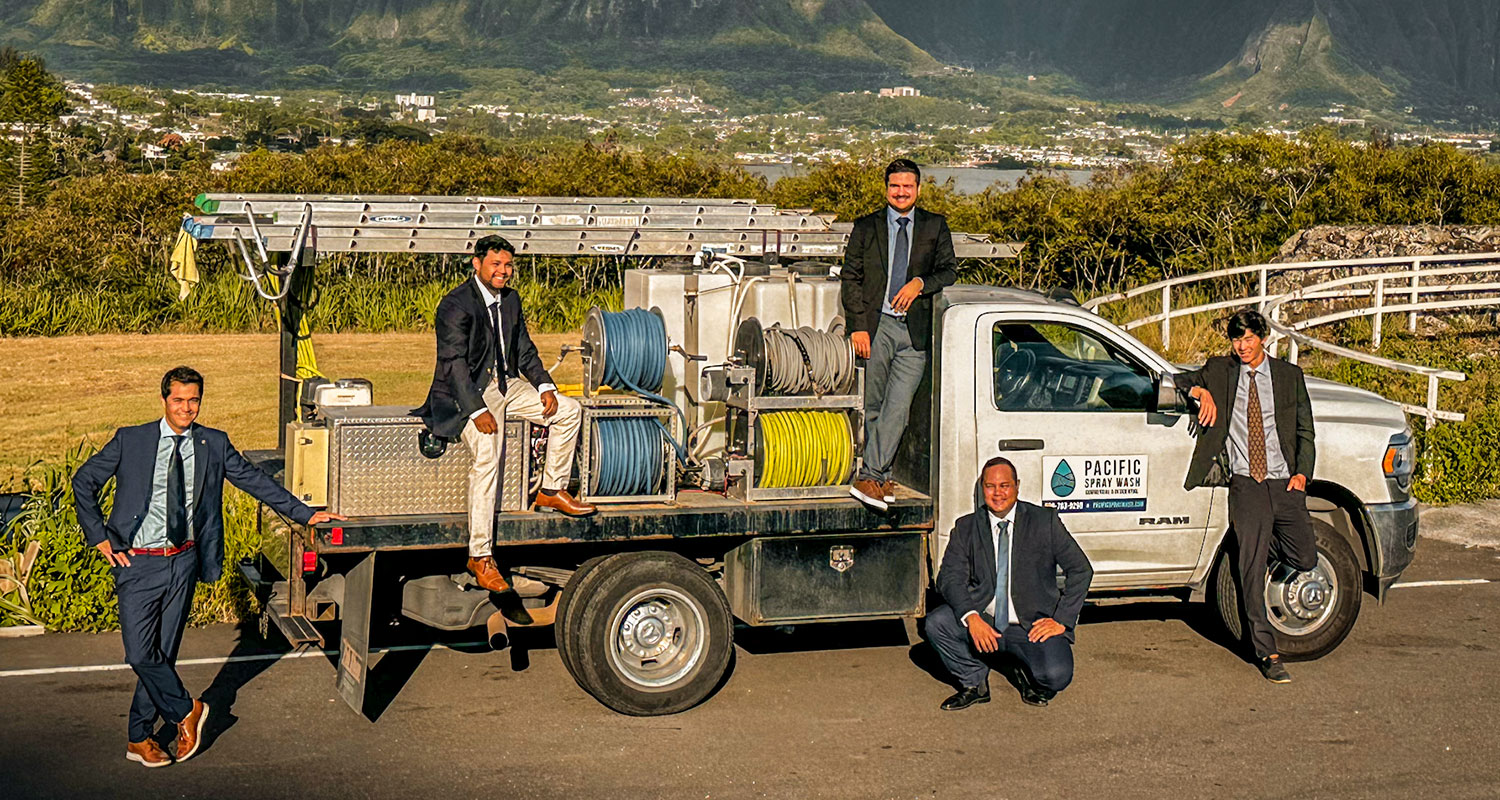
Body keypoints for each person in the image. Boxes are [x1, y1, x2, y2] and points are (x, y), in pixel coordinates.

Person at [73, 366, 345, 767]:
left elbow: (255, 481)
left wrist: (304, 514)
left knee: (162, 654)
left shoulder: (212, 443)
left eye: (194, 400)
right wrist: (98, 535)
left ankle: (138, 738)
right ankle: (187, 711)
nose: (187, 408)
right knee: (139, 653)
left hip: (183, 561)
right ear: (164, 399)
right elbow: (84, 482)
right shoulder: (132, 440)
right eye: (179, 400)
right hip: (137, 563)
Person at [415, 234, 594, 607]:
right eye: (496, 264)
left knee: (569, 411)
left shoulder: (511, 300)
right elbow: (453, 365)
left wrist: (544, 384)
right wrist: (478, 411)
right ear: (476, 264)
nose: (503, 271)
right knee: (487, 453)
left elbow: (524, 348)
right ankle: (480, 555)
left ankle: (551, 489)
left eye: (508, 265)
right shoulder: (455, 305)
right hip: (467, 391)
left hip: (507, 383)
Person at [1176, 309, 1317, 684]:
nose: (1241, 347)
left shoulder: (1289, 377)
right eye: (1236, 340)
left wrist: (1302, 474)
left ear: (1264, 338)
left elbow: (1305, 430)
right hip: (1246, 484)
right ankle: (1267, 652)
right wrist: (1199, 390)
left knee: (1305, 557)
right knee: (1250, 571)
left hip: (1284, 483)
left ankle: (1258, 542)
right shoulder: (1221, 370)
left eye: (1248, 339)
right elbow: (1175, 378)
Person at [926, 456, 1094, 710]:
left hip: (1030, 624)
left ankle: (1022, 672)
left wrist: (1061, 620)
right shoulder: (966, 527)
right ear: (982, 489)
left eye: (1004, 485)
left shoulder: (1044, 522)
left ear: (1017, 486)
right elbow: (949, 578)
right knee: (937, 623)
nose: (997, 493)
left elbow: (1081, 570)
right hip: (986, 620)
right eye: (990, 486)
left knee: (1056, 675)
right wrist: (972, 617)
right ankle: (974, 681)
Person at [841, 158, 959, 510]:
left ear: (918, 189)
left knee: (899, 406)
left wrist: (920, 283)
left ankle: (869, 476)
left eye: (908, 186)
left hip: (913, 331)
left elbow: (949, 271)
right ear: (886, 188)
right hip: (876, 326)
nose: (902, 192)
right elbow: (851, 278)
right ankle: (882, 474)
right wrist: (858, 326)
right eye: (895, 186)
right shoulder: (866, 227)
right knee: (874, 406)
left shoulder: (935, 226)